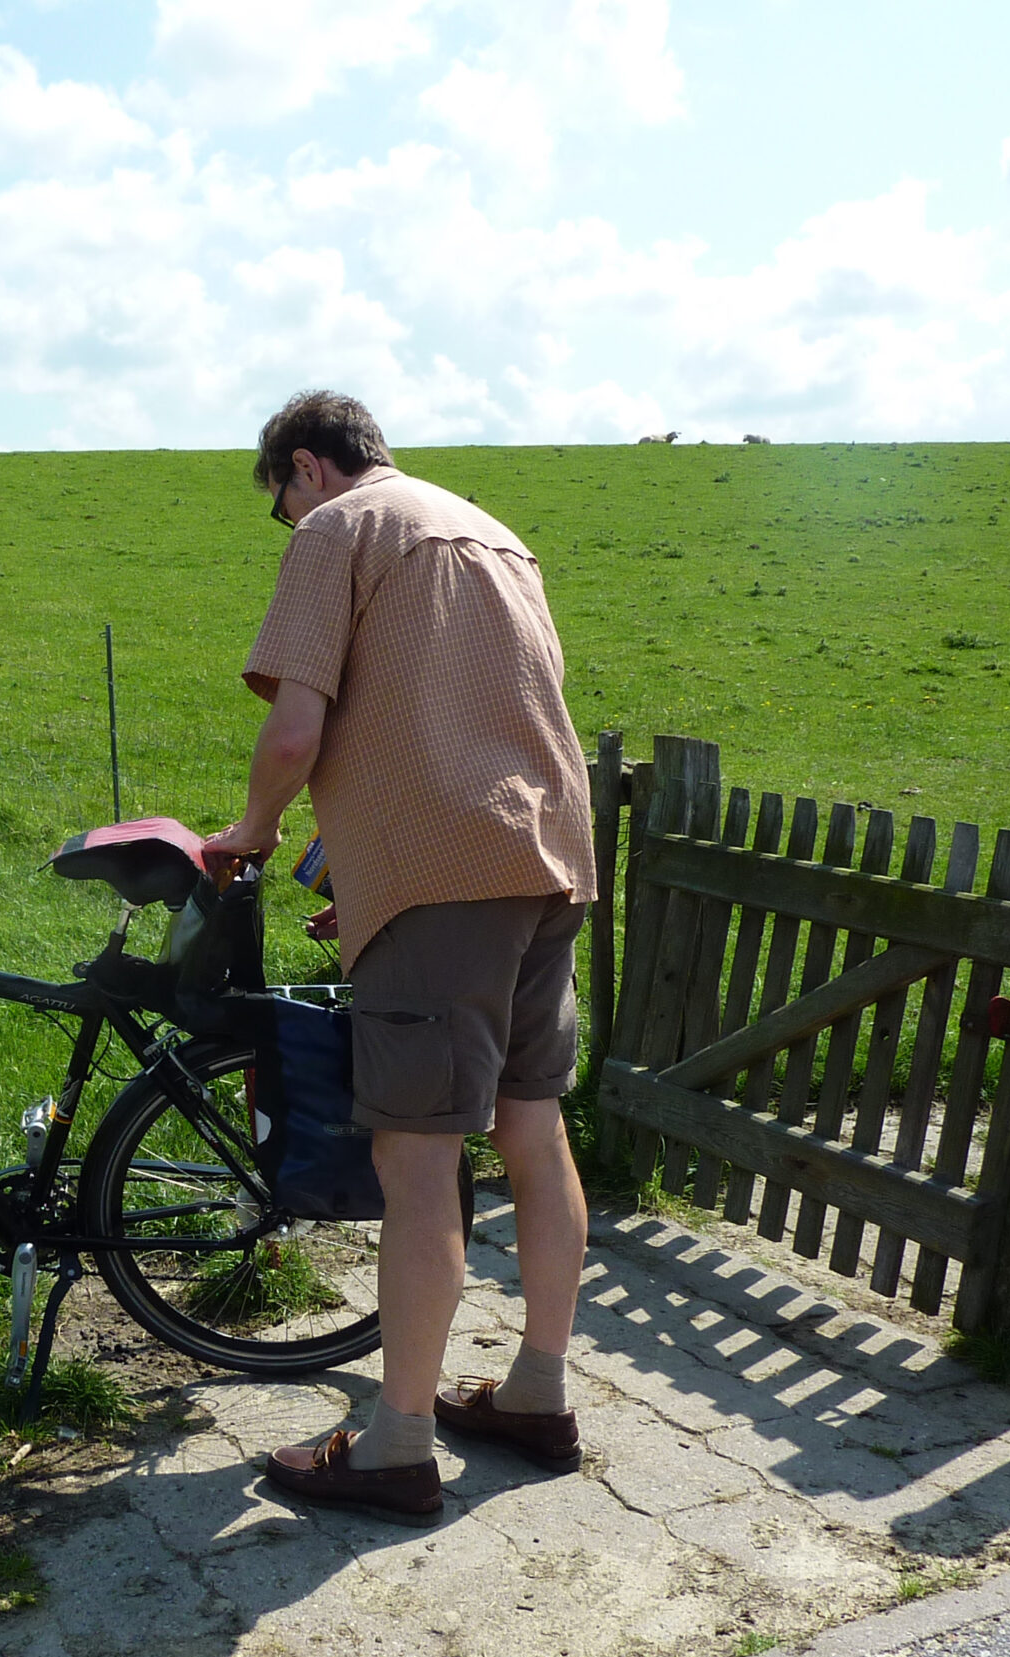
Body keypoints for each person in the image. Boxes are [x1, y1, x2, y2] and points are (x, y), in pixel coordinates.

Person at [202, 390, 599, 1523]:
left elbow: (297, 729)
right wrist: (372, 871)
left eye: (280, 503)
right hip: (547, 855)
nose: (286, 523)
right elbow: (457, 722)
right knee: (532, 1128)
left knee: (416, 1158)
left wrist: (254, 830)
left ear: (306, 466)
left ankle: (395, 1445)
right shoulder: (491, 532)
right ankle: (537, 1395)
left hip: (448, 877)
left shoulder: (339, 529)